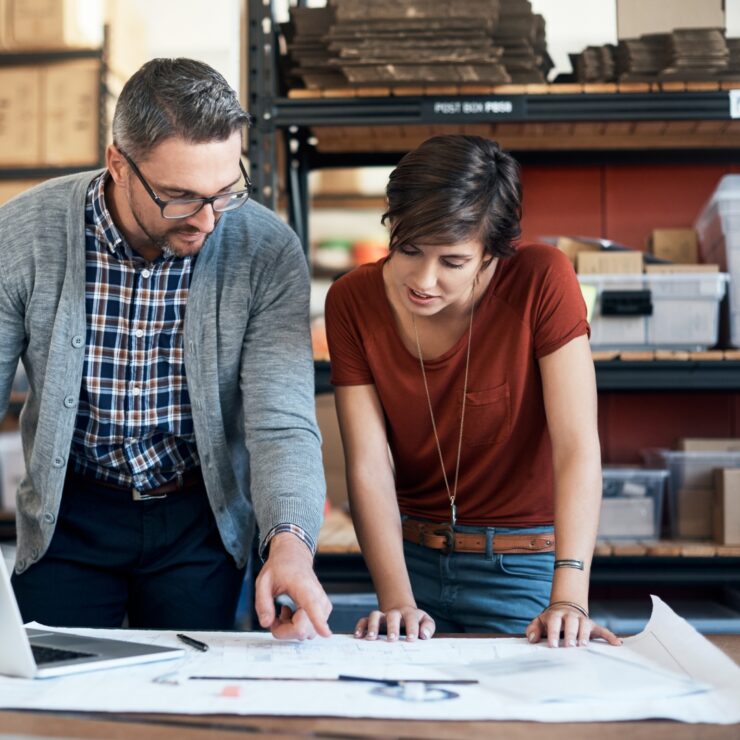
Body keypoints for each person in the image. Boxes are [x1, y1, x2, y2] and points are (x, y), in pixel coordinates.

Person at [0, 58, 331, 639]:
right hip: (69, 515)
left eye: (225, 191)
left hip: (197, 519)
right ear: (118, 165)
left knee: (191, 706)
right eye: (179, 197)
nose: (206, 220)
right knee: (55, 706)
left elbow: (282, 425)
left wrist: (290, 544)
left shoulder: (267, 250)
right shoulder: (23, 235)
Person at [325, 134, 620, 648]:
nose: (422, 279)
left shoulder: (541, 280)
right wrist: (397, 602)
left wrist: (569, 597)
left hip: (523, 568)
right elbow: (368, 464)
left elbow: (577, 446)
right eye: (408, 249)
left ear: (491, 254)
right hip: (408, 563)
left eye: (452, 262)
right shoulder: (352, 300)